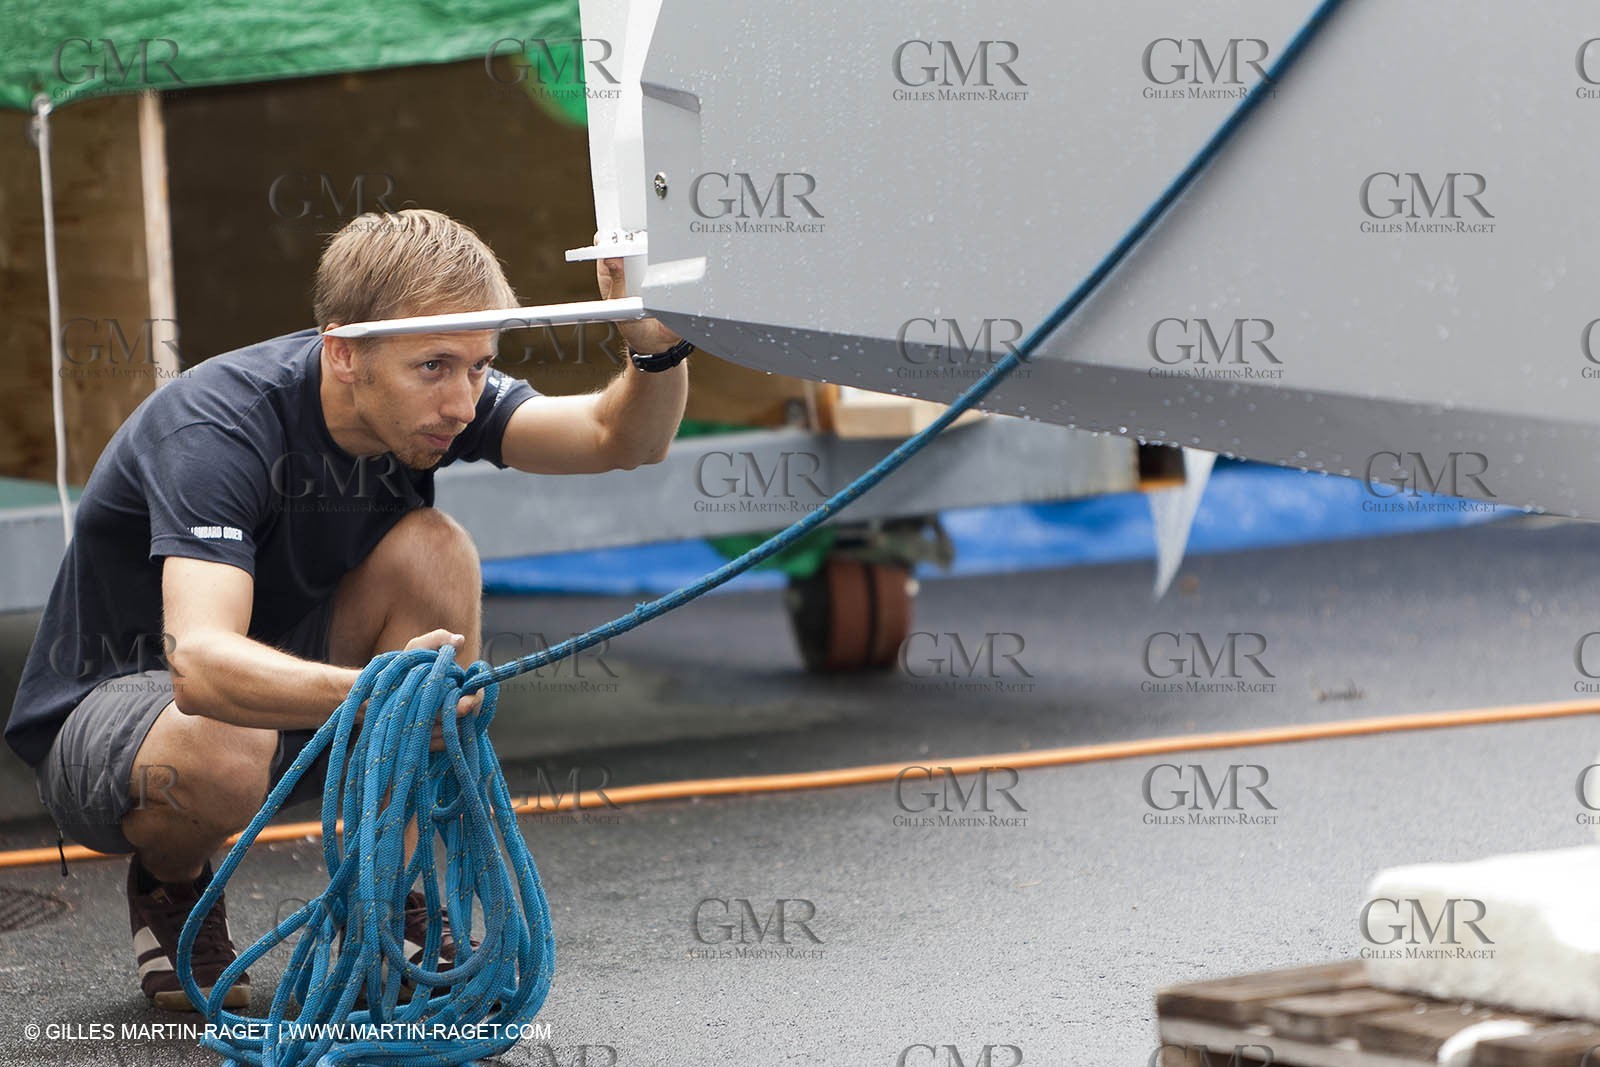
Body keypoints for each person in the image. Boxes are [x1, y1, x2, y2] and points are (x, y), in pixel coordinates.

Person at [4, 208, 694, 1011]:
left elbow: (620, 439)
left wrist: (653, 341)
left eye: (479, 367)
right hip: (116, 715)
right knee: (227, 738)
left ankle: (386, 902)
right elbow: (197, 663)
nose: (464, 402)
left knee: (436, 550)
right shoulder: (218, 426)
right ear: (343, 353)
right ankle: (170, 879)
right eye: (435, 368)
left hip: (280, 691)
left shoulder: (432, 394)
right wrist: (388, 692)